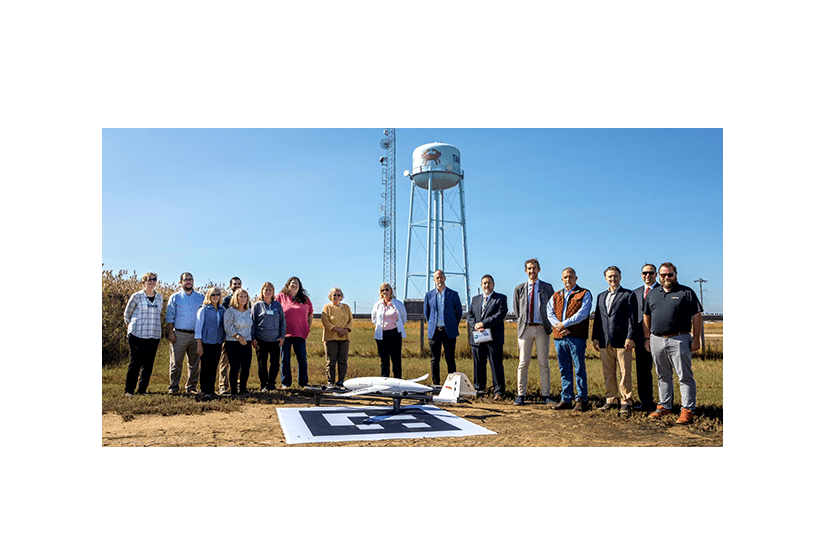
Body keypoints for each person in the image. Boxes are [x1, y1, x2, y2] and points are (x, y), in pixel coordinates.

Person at [643, 262, 703, 424]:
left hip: (679, 339)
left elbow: (697, 316)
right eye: (663, 275)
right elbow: (646, 316)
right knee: (662, 375)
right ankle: (664, 405)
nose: (667, 277)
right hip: (657, 340)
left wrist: (696, 339)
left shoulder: (686, 292)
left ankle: (687, 410)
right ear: (658, 276)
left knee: (684, 376)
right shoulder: (652, 294)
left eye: (670, 274)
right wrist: (648, 337)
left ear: (676, 275)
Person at [592, 266, 638, 416]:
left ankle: (626, 401)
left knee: (625, 373)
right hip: (605, 341)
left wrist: (630, 337)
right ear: (606, 278)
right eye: (610, 276)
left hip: (622, 341)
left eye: (615, 276)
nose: (613, 279)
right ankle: (611, 399)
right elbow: (598, 319)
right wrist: (595, 337)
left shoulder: (628, 295)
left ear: (620, 277)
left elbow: (632, 319)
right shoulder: (600, 296)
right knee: (608, 372)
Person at [548, 268, 593, 411]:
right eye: (565, 277)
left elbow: (583, 314)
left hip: (576, 337)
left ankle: (581, 399)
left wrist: (565, 324)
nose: (568, 280)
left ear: (576, 278)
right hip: (559, 338)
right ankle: (566, 398)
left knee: (579, 368)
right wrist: (559, 326)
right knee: (564, 368)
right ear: (562, 279)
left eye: (571, 277)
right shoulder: (556, 295)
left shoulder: (584, 294)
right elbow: (549, 312)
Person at [512, 258, 555, 405]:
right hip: (525, 329)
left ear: (539, 269)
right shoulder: (520, 288)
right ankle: (521, 395)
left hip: (542, 328)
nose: (532, 271)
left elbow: (552, 307)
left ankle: (546, 395)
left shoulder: (547, 287)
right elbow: (517, 310)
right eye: (529, 268)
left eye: (534, 268)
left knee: (544, 363)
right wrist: (524, 321)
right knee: (523, 362)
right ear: (526, 271)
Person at [466, 275, 508, 401]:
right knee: (478, 365)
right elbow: (470, 315)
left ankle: (499, 391)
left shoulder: (500, 298)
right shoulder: (475, 299)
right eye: (484, 283)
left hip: (494, 339)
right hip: (478, 338)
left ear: (493, 284)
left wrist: (484, 324)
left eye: (489, 283)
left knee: (496, 365)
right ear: (481, 285)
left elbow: (500, 314)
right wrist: (476, 326)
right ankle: (479, 389)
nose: (486, 285)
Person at [123, 272, 163, 396]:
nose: (152, 282)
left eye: (154, 279)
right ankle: (129, 390)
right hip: (137, 334)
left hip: (153, 334)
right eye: (149, 279)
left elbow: (158, 313)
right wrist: (130, 328)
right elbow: (127, 314)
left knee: (148, 363)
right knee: (135, 362)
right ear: (143, 282)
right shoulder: (137, 296)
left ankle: (142, 389)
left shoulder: (159, 298)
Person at [166, 272, 205, 394]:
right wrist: (171, 332)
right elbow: (170, 316)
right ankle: (173, 387)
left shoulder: (201, 297)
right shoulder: (175, 297)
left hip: (196, 335)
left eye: (190, 279)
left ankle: (191, 387)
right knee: (176, 362)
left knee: (194, 363)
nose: (189, 281)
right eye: (186, 279)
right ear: (181, 282)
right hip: (179, 334)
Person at [423, 270, 464, 385]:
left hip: (448, 331)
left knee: (450, 358)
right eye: (437, 278)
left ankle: (452, 385)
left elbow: (459, 312)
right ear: (434, 280)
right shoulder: (429, 295)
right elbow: (427, 313)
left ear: (444, 278)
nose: (439, 280)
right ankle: (436, 384)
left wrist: (452, 324)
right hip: (435, 331)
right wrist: (433, 323)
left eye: (441, 277)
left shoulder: (453, 294)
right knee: (435, 359)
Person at [275, 277, 313, 388]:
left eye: (297, 284)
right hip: (284, 334)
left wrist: (308, 327)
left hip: (300, 333)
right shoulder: (280, 297)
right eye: (292, 283)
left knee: (302, 359)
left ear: (299, 286)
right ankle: (286, 383)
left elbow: (310, 313)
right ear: (288, 285)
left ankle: (303, 383)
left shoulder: (305, 299)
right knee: (285, 359)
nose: (294, 285)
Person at [632, 264, 659, 411]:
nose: (647, 275)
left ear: (656, 274)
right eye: (644, 273)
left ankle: (665, 403)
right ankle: (646, 402)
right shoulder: (635, 293)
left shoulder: (663, 291)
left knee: (663, 372)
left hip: (659, 336)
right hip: (641, 338)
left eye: (650, 273)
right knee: (642, 371)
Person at [251, 282, 286, 392]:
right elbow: (252, 322)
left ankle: (272, 384)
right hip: (261, 339)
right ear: (262, 291)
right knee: (262, 364)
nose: (268, 292)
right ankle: (264, 385)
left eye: (270, 290)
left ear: (273, 292)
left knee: (275, 363)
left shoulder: (277, 305)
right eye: (266, 290)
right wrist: (252, 338)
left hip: (275, 340)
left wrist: (282, 336)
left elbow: (282, 322)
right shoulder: (257, 305)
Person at [371, 283, 407, 378]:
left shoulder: (398, 304)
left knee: (396, 359)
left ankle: (398, 380)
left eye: (387, 289)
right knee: (384, 360)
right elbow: (374, 318)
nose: (385, 292)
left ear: (391, 291)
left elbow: (403, 317)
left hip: (395, 333)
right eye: (382, 290)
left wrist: (396, 325)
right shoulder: (378, 305)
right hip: (382, 334)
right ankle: (384, 379)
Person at [195, 287, 225, 398]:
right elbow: (198, 328)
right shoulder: (203, 309)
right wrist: (199, 344)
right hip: (206, 343)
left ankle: (211, 390)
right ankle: (204, 391)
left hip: (218, 342)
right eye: (213, 294)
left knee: (213, 367)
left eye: (217, 294)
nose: (215, 297)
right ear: (209, 296)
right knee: (205, 367)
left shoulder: (222, 310)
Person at [321, 287, 354, 387]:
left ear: (341, 297)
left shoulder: (346, 307)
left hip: (344, 338)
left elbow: (351, 320)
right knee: (331, 361)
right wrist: (336, 329)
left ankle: (341, 381)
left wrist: (346, 330)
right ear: (330, 296)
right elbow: (325, 321)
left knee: (343, 361)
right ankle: (330, 381)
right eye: (334, 295)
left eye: (338, 295)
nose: (336, 297)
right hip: (331, 338)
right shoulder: (327, 307)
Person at [223, 288, 254, 395]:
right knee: (235, 367)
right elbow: (228, 327)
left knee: (246, 366)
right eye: (240, 296)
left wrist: (247, 339)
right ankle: (234, 390)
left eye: (245, 296)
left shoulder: (249, 311)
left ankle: (243, 388)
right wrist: (238, 337)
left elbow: (251, 326)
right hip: (233, 342)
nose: (243, 299)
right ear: (236, 298)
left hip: (247, 342)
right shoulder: (230, 311)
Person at [218, 277, 243, 394]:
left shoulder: (245, 300)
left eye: (239, 284)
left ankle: (238, 384)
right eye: (234, 284)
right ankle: (223, 385)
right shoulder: (226, 301)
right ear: (230, 286)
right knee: (225, 361)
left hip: (241, 337)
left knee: (239, 362)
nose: (237, 286)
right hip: (228, 336)